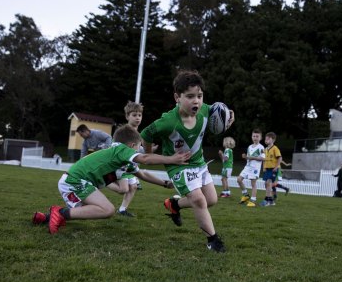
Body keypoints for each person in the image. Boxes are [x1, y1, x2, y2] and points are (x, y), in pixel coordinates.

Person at [32, 124, 191, 234]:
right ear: (131, 145)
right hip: (76, 181)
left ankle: (44, 217)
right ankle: (59, 212)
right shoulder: (122, 150)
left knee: (83, 210)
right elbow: (145, 159)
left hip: (72, 181)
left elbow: (142, 174)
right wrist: (171, 159)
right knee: (107, 210)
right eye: (138, 146)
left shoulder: (119, 156)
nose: (139, 150)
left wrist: (165, 184)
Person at [141, 70, 235, 253]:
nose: (196, 101)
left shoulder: (206, 111)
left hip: (198, 163)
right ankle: (213, 241)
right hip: (178, 166)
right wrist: (151, 153)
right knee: (199, 200)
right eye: (190, 96)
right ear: (177, 97)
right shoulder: (168, 121)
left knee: (211, 200)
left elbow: (226, 111)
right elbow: (146, 134)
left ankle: (174, 204)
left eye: (199, 96)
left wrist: (229, 116)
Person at [113, 101, 163, 217]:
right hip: (121, 165)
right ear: (127, 116)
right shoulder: (124, 132)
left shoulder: (138, 133)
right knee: (124, 189)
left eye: (139, 115)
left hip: (130, 166)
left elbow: (134, 149)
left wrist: (146, 150)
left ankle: (122, 210)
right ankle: (105, 180)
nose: (137, 118)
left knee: (133, 187)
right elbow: (119, 148)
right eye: (134, 115)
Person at [237, 129, 265, 207]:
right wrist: (245, 157)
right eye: (254, 136)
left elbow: (263, 158)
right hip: (247, 167)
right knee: (239, 179)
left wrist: (251, 157)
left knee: (253, 184)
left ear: (260, 138)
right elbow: (249, 158)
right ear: (251, 137)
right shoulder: (249, 147)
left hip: (255, 168)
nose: (255, 138)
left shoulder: (261, 147)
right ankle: (246, 195)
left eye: (257, 136)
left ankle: (253, 200)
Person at [260, 132, 282, 206]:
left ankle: (267, 200)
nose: (266, 140)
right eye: (265, 139)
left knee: (269, 183)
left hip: (273, 169)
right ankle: (271, 200)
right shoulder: (265, 149)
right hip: (267, 169)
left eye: (268, 139)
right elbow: (264, 159)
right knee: (266, 184)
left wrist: (276, 167)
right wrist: (264, 167)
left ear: (273, 140)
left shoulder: (275, 148)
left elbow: (280, 158)